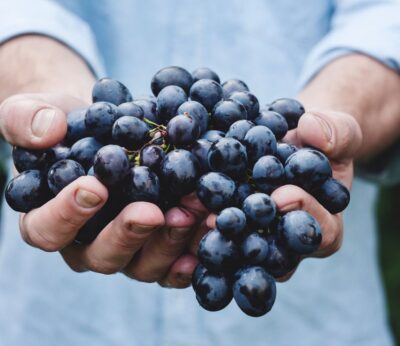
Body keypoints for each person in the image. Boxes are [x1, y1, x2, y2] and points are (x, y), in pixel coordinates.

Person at [0, 0, 399, 345]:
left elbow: (385, 19)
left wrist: (332, 120)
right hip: (61, 321)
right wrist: (45, 93)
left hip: (314, 324)